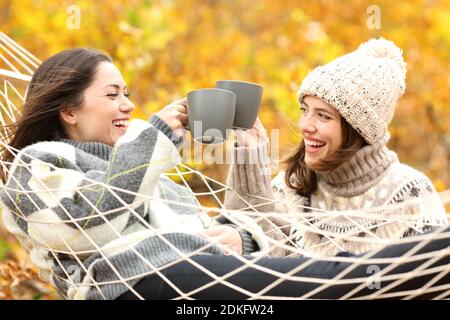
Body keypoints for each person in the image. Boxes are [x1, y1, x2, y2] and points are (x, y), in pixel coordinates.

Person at [0, 48, 270, 300]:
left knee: (299, 278)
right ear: (70, 111)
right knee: (309, 281)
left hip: (196, 279)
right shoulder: (35, 166)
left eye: (126, 94)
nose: (128, 105)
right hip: (132, 285)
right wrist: (153, 139)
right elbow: (86, 226)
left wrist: (241, 239)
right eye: (112, 94)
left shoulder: (154, 178)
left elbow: (205, 234)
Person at [224, 38, 448, 257]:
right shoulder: (291, 187)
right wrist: (248, 156)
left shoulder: (411, 194)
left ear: (358, 130)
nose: (305, 126)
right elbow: (253, 254)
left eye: (323, 116)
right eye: (304, 110)